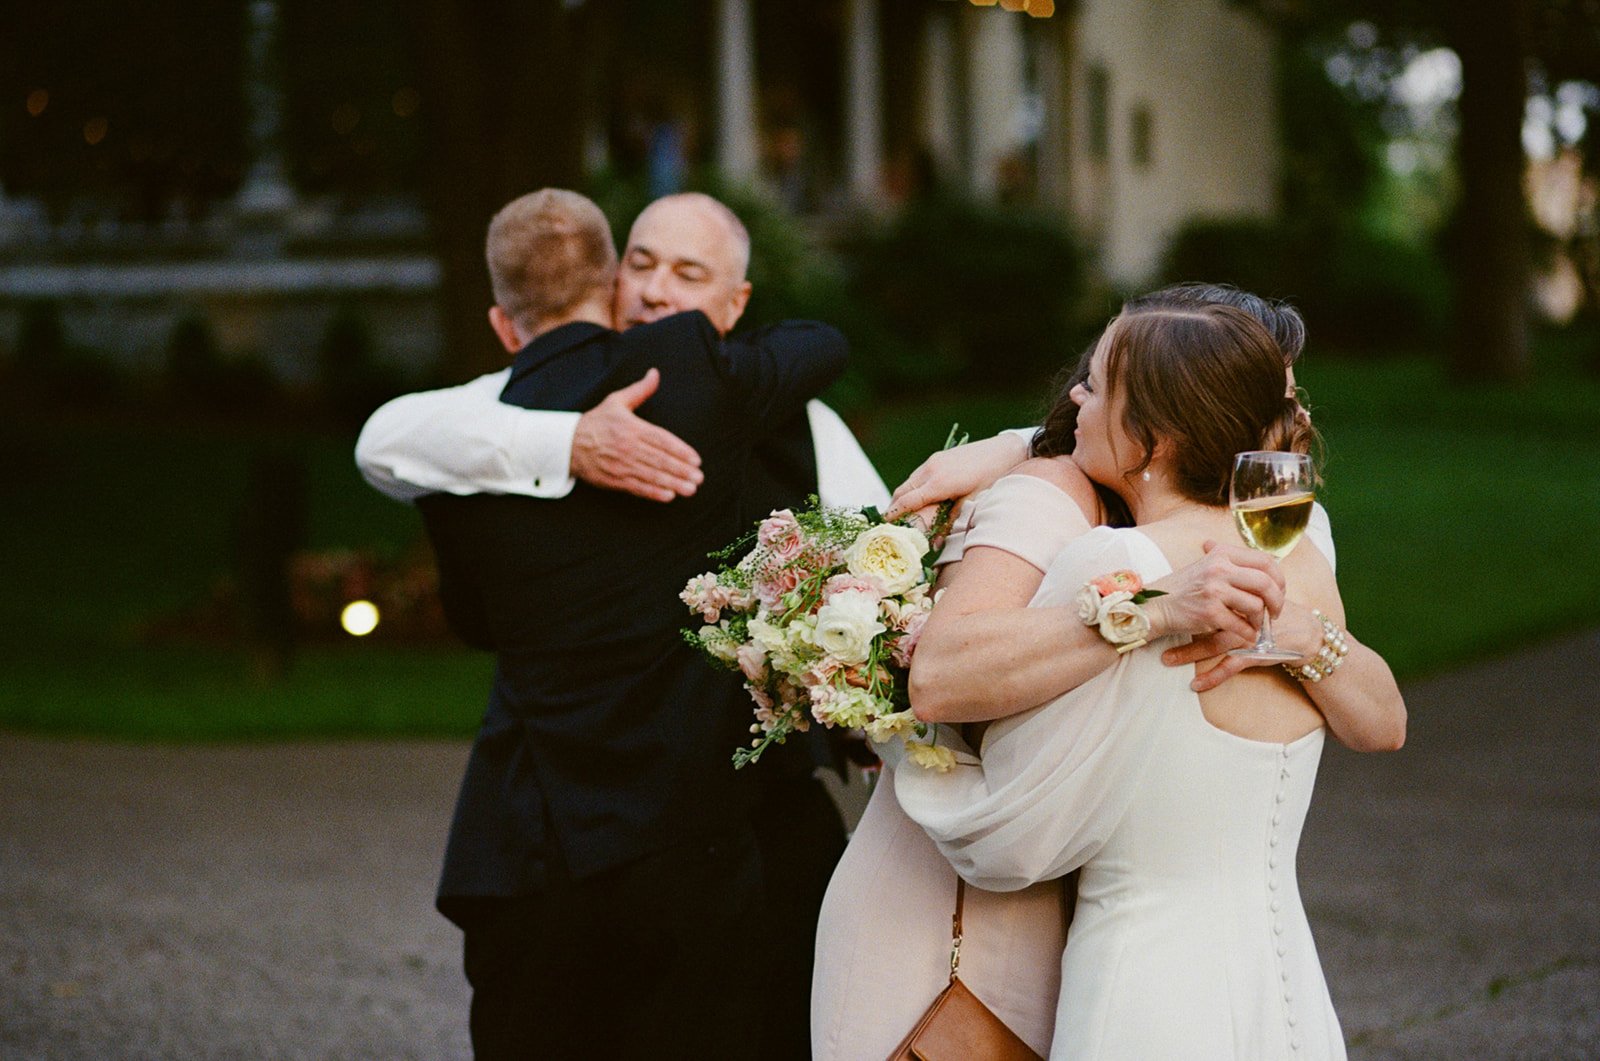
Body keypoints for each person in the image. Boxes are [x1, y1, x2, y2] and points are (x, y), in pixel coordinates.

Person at [812, 287, 1405, 1059]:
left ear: (1159, 433)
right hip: (1283, 986)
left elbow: (1013, 830)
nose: (1074, 397)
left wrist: (900, 740)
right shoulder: (1295, 548)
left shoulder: (1116, 565)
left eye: (1097, 385)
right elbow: (1385, 722)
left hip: (1141, 984)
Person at [411, 188, 846, 1059]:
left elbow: (476, 621)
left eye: (685, 272)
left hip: (538, 838)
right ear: (610, 280)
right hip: (686, 830)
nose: (654, 291)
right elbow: (824, 343)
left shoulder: (458, 437)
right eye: (642, 266)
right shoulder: (698, 376)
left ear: (504, 325)